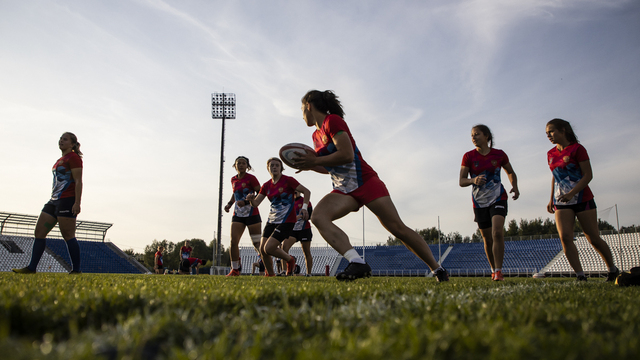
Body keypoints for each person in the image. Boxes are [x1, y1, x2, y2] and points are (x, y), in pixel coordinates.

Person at [293, 90, 449, 281]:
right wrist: (310, 165)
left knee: (397, 228)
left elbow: (347, 155)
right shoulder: (315, 136)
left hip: (365, 181)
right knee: (318, 217)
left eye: (301, 109)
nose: (301, 115)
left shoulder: (332, 121)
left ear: (308, 105)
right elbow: (329, 167)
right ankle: (357, 262)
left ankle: (437, 269)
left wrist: (315, 161)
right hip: (343, 189)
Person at [545, 118, 619, 281]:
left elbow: (588, 175)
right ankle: (580, 276)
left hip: (582, 198)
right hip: (561, 201)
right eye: (547, 133)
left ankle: (612, 269)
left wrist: (572, 193)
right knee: (565, 237)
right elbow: (555, 176)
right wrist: (551, 198)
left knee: (593, 238)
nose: (549, 135)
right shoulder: (550, 154)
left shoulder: (578, 149)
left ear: (563, 130)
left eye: (551, 131)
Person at [13, 132, 84, 274]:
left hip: (67, 200)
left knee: (68, 235)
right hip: (53, 201)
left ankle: (76, 270)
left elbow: (78, 181)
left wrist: (77, 202)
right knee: (39, 231)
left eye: (65, 139)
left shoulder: (74, 158)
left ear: (72, 144)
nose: (61, 141)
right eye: (60, 139)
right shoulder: (60, 159)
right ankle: (32, 268)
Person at [459, 125, 519, 281]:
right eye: (471, 135)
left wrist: (514, 186)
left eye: (477, 134)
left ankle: (499, 271)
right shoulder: (468, 156)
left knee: (497, 232)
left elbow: (510, 171)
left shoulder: (499, 155)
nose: (473, 137)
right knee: (487, 238)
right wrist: (473, 180)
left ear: (486, 136)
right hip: (479, 202)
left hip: (498, 198)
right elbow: (462, 181)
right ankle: (493, 269)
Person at [246, 157, 311, 277]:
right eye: (272, 166)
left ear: (281, 168)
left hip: (287, 220)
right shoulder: (266, 185)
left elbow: (307, 192)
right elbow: (256, 203)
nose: (274, 167)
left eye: (277, 165)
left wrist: (304, 207)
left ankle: (290, 259)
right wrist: (251, 200)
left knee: (269, 248)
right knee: (262, 249)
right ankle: (270, 275)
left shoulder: (288, 180)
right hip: (271, 220)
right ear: (268, 169)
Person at [224, 156, 263, 277]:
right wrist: (230, 204)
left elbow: (260, 192)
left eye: (243, 163)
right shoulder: (233, 179)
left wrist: (247, 202)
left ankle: (267, 266)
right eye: (238, 163)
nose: (241, 165)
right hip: (238, 214)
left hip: (252, 213)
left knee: (256, 243)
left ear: (247, 166)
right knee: (233, 241)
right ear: (235, 166)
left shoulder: (251, 178)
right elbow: (235, 193)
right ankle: (235, 269)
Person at [281, 191, 314, 276]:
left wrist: (303, 216)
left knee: (306, 251)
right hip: (292, 230)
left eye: (296, 192)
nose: (294, 193)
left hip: (304, 229)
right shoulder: (288, 202)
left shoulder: (305, 201)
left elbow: (311, 215)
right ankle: (284, 271)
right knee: (283, 248)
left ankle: (309, 273)